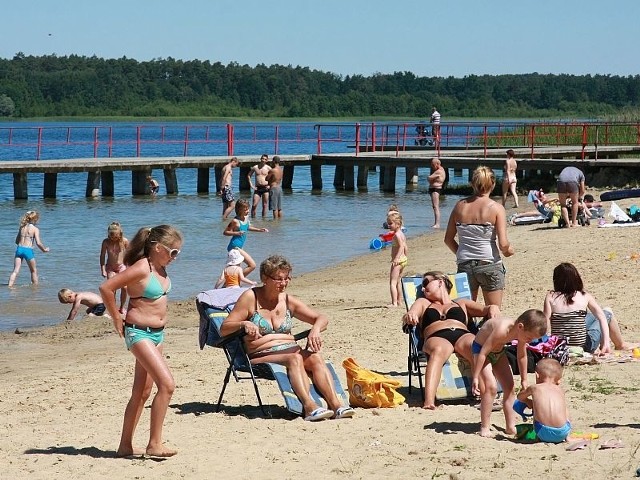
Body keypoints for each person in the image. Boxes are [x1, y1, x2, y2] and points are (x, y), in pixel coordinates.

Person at [220, 254, 355, 421]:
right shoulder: (250, 298)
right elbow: (224, 328)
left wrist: (315, 330)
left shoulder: (287, 300)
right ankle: (309, 406)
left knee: (315, 357)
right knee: (295, 358)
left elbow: (321, 318)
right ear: (264, 278)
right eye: (278, 279)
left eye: (286, 278)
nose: (283, 283)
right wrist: (244, 324)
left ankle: (336, 406)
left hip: (290, 350)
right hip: (261, 355)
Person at [99, 224, 183, 458]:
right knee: (167, 385)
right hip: (139, 333)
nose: (175, 257)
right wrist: (116, 317)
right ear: (157, 248)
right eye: (173, 252)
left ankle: (125, 446)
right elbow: (107, 287)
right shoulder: (142, 268)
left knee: (142, 392)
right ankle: (154, 444)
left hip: (157, 334)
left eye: (178, 253)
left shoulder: (159, 267)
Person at [402, 271, 501, 410]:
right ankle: (429, 402)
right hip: (436, 336)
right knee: (439, 350)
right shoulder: (423, 302)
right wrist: (410, 315)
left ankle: (487, 396)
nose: (423, 288)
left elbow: (486, 309)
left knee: (476, 348)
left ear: (440, 281)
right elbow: (411, 314)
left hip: (462, 334)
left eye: (426, 283)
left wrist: (493, 307)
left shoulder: (461, 303)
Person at [444, 166, 515, 308]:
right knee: (493, 311)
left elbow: (448, 239)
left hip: (465, 263)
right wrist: (509, 251)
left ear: (472, 183)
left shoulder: (460, 206)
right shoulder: (496, 208)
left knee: (466, 311)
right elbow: (503, 244)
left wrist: (461, 252)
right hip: (488, 262)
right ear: (493, 184)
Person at [471, 309, 547, 437]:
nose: (529, 341)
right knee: (491, 387)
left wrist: (524, 379)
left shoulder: (521, 332)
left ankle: (510, 427)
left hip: (498, 352)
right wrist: (475, 377)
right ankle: (485, 427)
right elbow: (484, 352)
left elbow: (522, 356)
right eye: (529, 337)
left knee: (509, 387)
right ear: (520, 327)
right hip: (480, 351)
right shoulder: (502, 329)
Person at [544, 262, 634, 354]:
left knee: (584, 318)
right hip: (583, 347)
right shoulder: (584, 296)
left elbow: (545, 321)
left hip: (560, 346)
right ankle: (619, 345)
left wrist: (546, 343)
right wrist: (606, 342)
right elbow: (602, 317)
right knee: (607, 312)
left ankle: (611, 344)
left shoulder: (550, 296)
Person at [516, 358, 571, 443]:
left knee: (537, 407)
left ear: (536, 375)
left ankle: (536, 438)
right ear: (559, 380)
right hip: (562, 433)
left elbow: (519, 397)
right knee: (564, 407)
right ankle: (568, 437)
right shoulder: (560, 390)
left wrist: (528, 401)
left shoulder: (534, 388)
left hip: (543, 433)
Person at [224, 199, 268, 277]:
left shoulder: (246, 218)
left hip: (240, 247)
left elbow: (248, 227)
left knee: (237, 269)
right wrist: (236, 233)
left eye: (248, 208)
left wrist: (259, 230)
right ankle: (232, 283)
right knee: (252, 265)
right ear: (239, 210)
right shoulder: (235, 221)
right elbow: (225, 232)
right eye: (245, 209)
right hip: (234, 247)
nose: (248, 211)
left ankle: (233, 283)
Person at [8, 210, 49, 287]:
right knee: (33, 271)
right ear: (35, 219)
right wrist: (44, 249)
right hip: (28, 250)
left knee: (15, 271)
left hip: (19, 249)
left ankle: (9, 286)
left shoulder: (22, 227)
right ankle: (35, 288)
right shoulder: (35, 229)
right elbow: (38, 243)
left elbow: (16, 241)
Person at [100, 222, 129, 314]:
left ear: (120, 234)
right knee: (113, 288)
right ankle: (113, 308)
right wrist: (103, 269)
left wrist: (130, 267)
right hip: (110, 267)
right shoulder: (106, 242)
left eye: (116, 237)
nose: (113, 239)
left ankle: (121, 307)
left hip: (122, 266)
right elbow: (102, 255)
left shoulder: (124, 241)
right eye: (111, 236)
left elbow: (130, 254)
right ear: (108, 234)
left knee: (124, 288)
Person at [386, 212, 407, 308]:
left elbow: (401, 247)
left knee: (393, 282)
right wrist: (405, 257)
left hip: (398, 261)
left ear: (398, 224)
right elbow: (406, 247)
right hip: (403, 260)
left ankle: (394, 303)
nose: (388, 225)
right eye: (388, 223)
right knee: (398, 281)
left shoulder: (397, 235)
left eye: (390, 223)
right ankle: (399, 301)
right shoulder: (401, 234)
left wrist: (396, 258)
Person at [248, 154, 272, 218]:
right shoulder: (255, 167)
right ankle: (253, 219)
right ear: (260, 159)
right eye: (262, 158)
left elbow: (274, 177)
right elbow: (249, 175)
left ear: (267, 160)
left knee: (264, 205)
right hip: (257, 188)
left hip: (265, 187)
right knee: (254, 205)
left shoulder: (268, 168)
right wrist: (251, 185)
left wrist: (270, 185)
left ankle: (263, 220)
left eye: (265, 159)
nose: (263, 160)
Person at [428, 157, 446, 228]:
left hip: (435, 189)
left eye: (433, 165)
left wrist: (430, 179)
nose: (432, 167)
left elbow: (429, 177)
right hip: (434, 189)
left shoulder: (439, 171)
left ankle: (437, 224)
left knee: (436, 207)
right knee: (435, 207)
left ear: (437, 164)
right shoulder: (441, 170)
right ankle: (436, 223)